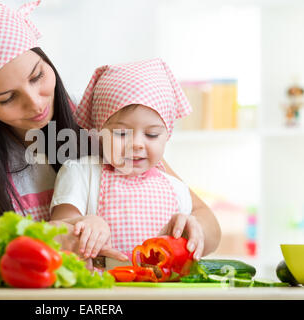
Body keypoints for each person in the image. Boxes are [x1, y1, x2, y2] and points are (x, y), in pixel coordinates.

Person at [0, 0, 220, 263]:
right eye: (8, 98)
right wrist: (49, 243)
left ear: (47, 61)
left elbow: (205, 219)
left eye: (37, 76)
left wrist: (195, 232)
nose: (35, 102)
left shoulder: (100, 120)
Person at [50, 59, 221, 267]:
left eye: (151, 134)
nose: (137, 144)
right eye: (122, 133)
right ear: (100, 133)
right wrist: (83, 225)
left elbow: (203, 238)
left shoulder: (177, 189)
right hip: (103, 290)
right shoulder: (80, 173)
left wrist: (192, 232)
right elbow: (56, 230)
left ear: (167, 135)